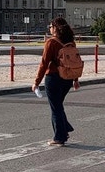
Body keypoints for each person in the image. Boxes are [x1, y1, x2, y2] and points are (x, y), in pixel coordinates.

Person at [32, 17, 80, 146]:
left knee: (56, 108)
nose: (49, 28)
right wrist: (75, 79)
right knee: (58, 105)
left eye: (51, 26)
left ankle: (59, 137)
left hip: (53, 78)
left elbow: (44, 64)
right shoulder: (70, 42)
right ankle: (65, 129)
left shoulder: (51, 42)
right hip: (67, 78)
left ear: (55, 28)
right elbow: (74, 62)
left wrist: (36, 82)